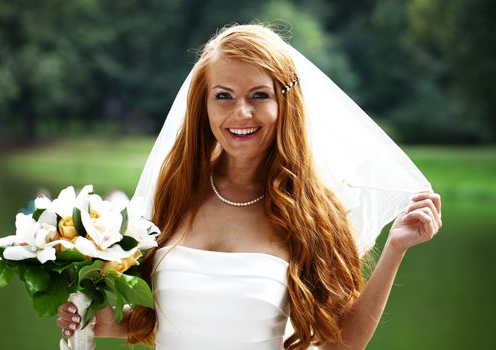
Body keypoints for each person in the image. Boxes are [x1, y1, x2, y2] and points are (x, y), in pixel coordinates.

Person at [57, 24, 442, 350]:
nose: (241, 113)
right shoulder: (175, 192)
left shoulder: (311, 211)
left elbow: (341, 343)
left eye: (259, 95)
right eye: (223, 96)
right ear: (202, 105)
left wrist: (395, 248)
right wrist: (109, 321)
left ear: (284, 104)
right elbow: (164, 316)